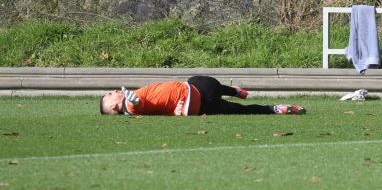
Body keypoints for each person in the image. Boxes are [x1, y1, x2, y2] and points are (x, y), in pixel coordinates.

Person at [100, 75, 304, 116]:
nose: (113, 92)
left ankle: (275, 109)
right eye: (109, 95)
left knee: (239, 111)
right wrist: (132, 100)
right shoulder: (130, 105)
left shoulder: (131, 101)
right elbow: (137, 107)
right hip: (195, 93)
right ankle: (236, 91)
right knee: (201, 80)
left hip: (200, 108)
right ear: (115, 107)